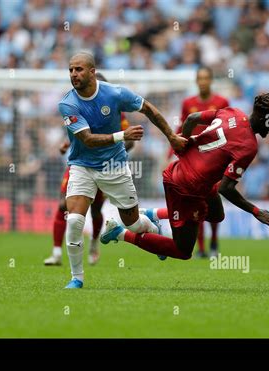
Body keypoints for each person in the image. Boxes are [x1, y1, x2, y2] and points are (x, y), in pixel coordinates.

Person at [101, 92, 269, 260]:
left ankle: (153, 214)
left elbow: (191, 119)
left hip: (193, 177)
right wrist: (256, 211)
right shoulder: (248, 146)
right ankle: (120, 233)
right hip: (184, 186)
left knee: (216, 215)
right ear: (264, 118)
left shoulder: (233, 112)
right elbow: (226, 189)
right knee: (183, 250)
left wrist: (181, 146)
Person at [59, 52, 187, 288]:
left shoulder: (115, 93)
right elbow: (87, 139)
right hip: (82, 166)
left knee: (133, 224)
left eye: (79, 69)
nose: (74, 74)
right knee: (75, 220)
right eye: (71, 70)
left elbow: (148, 108)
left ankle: (151, 224)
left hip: (113, 166)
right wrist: (122, 136)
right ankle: (77, 278)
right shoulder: (67, 103)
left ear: (92, 71)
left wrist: (171, 136)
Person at [45, 72, 134, 267]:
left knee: (95, 210)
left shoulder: (117, 111)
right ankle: (56, 253)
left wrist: (114, 149)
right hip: (79, 164)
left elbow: (130, 140)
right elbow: (79, 133)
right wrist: (66, 144)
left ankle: (94, 243)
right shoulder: (78, 105)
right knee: (63, 205)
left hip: (105, 166)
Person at [170, 66, 229, 258]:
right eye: (200, 78)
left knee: (212, 200)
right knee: (197, 202)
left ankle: (213, 241)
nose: (203, 81)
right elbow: (182, 126)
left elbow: (227, 128)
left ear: (211, 80)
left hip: (215, 158)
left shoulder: (221, 102)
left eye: (206, 78)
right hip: (194, 160)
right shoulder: (189, 103)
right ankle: (202, 248)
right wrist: (171, 148)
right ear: (196, 81)